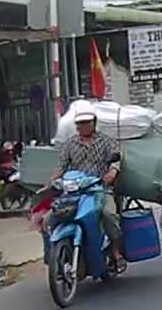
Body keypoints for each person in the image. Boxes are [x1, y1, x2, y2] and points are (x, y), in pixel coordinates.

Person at [52, 100, 125, 263]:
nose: (83, 126)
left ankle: (115, 250)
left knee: (109, 215)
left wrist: (112, 172)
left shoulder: (106, 141)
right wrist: (53, 181)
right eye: (80, 123)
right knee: (53, 215)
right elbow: (61, 166)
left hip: (99, 189)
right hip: (76, 191)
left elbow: (116, 160)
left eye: (87, 122)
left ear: (94, 123)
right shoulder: (69, 144)